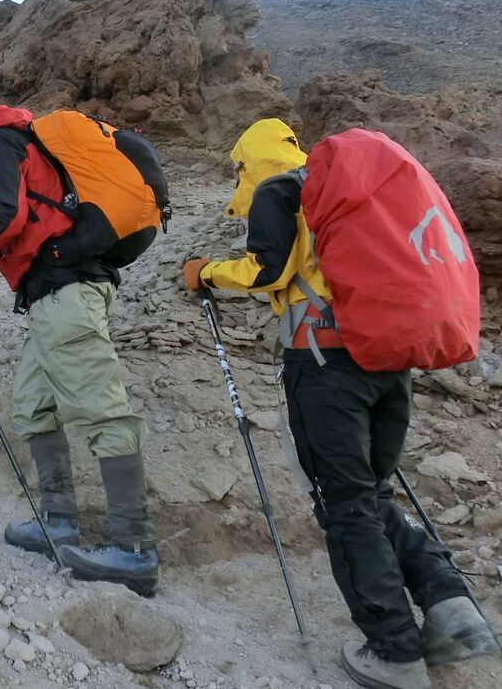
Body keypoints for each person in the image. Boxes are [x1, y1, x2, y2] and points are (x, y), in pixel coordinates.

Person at [182, 118, 496, 689]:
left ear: (249, 161)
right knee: (370, 493)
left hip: (326, 367)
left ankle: (395, 651)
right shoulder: (337, 193)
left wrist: (204, 272)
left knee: (345, 505)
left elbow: (267, 268)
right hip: (387, 362)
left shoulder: (279, 190)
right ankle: (453, 608)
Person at [0, 87, 159, 595]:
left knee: (101, 409)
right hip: (56, 296)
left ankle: (134, 550)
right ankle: (58, 521)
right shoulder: (18, 140)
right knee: (31, 403)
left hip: (66, 295)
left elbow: (2, 220)